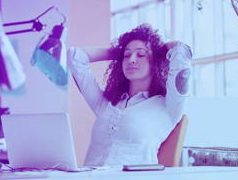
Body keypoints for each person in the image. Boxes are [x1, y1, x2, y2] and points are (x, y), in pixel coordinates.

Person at [67, 24, 192, 167]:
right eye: (127, 56)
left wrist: (160, 51)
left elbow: (182, 58)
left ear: (155, 61)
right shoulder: (106, 104)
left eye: (141, 54)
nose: (132, 59)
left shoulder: (169, 106)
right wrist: (117, 53)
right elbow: (74, 57)